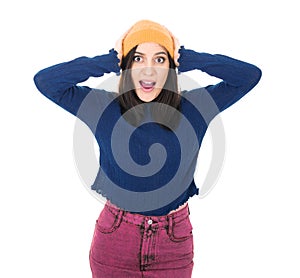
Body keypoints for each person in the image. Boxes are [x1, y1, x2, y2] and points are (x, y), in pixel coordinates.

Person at [34, 19, 261, 278]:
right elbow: (46, 82)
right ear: (126, 66)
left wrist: (188, 57)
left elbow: (249, 76)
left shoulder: (194, 107)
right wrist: (109, 60)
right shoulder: (102, 107)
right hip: (115, 242)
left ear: (171, 68)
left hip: (173, 244)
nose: (149, 70)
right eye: (138, 58)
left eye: (160, 60)